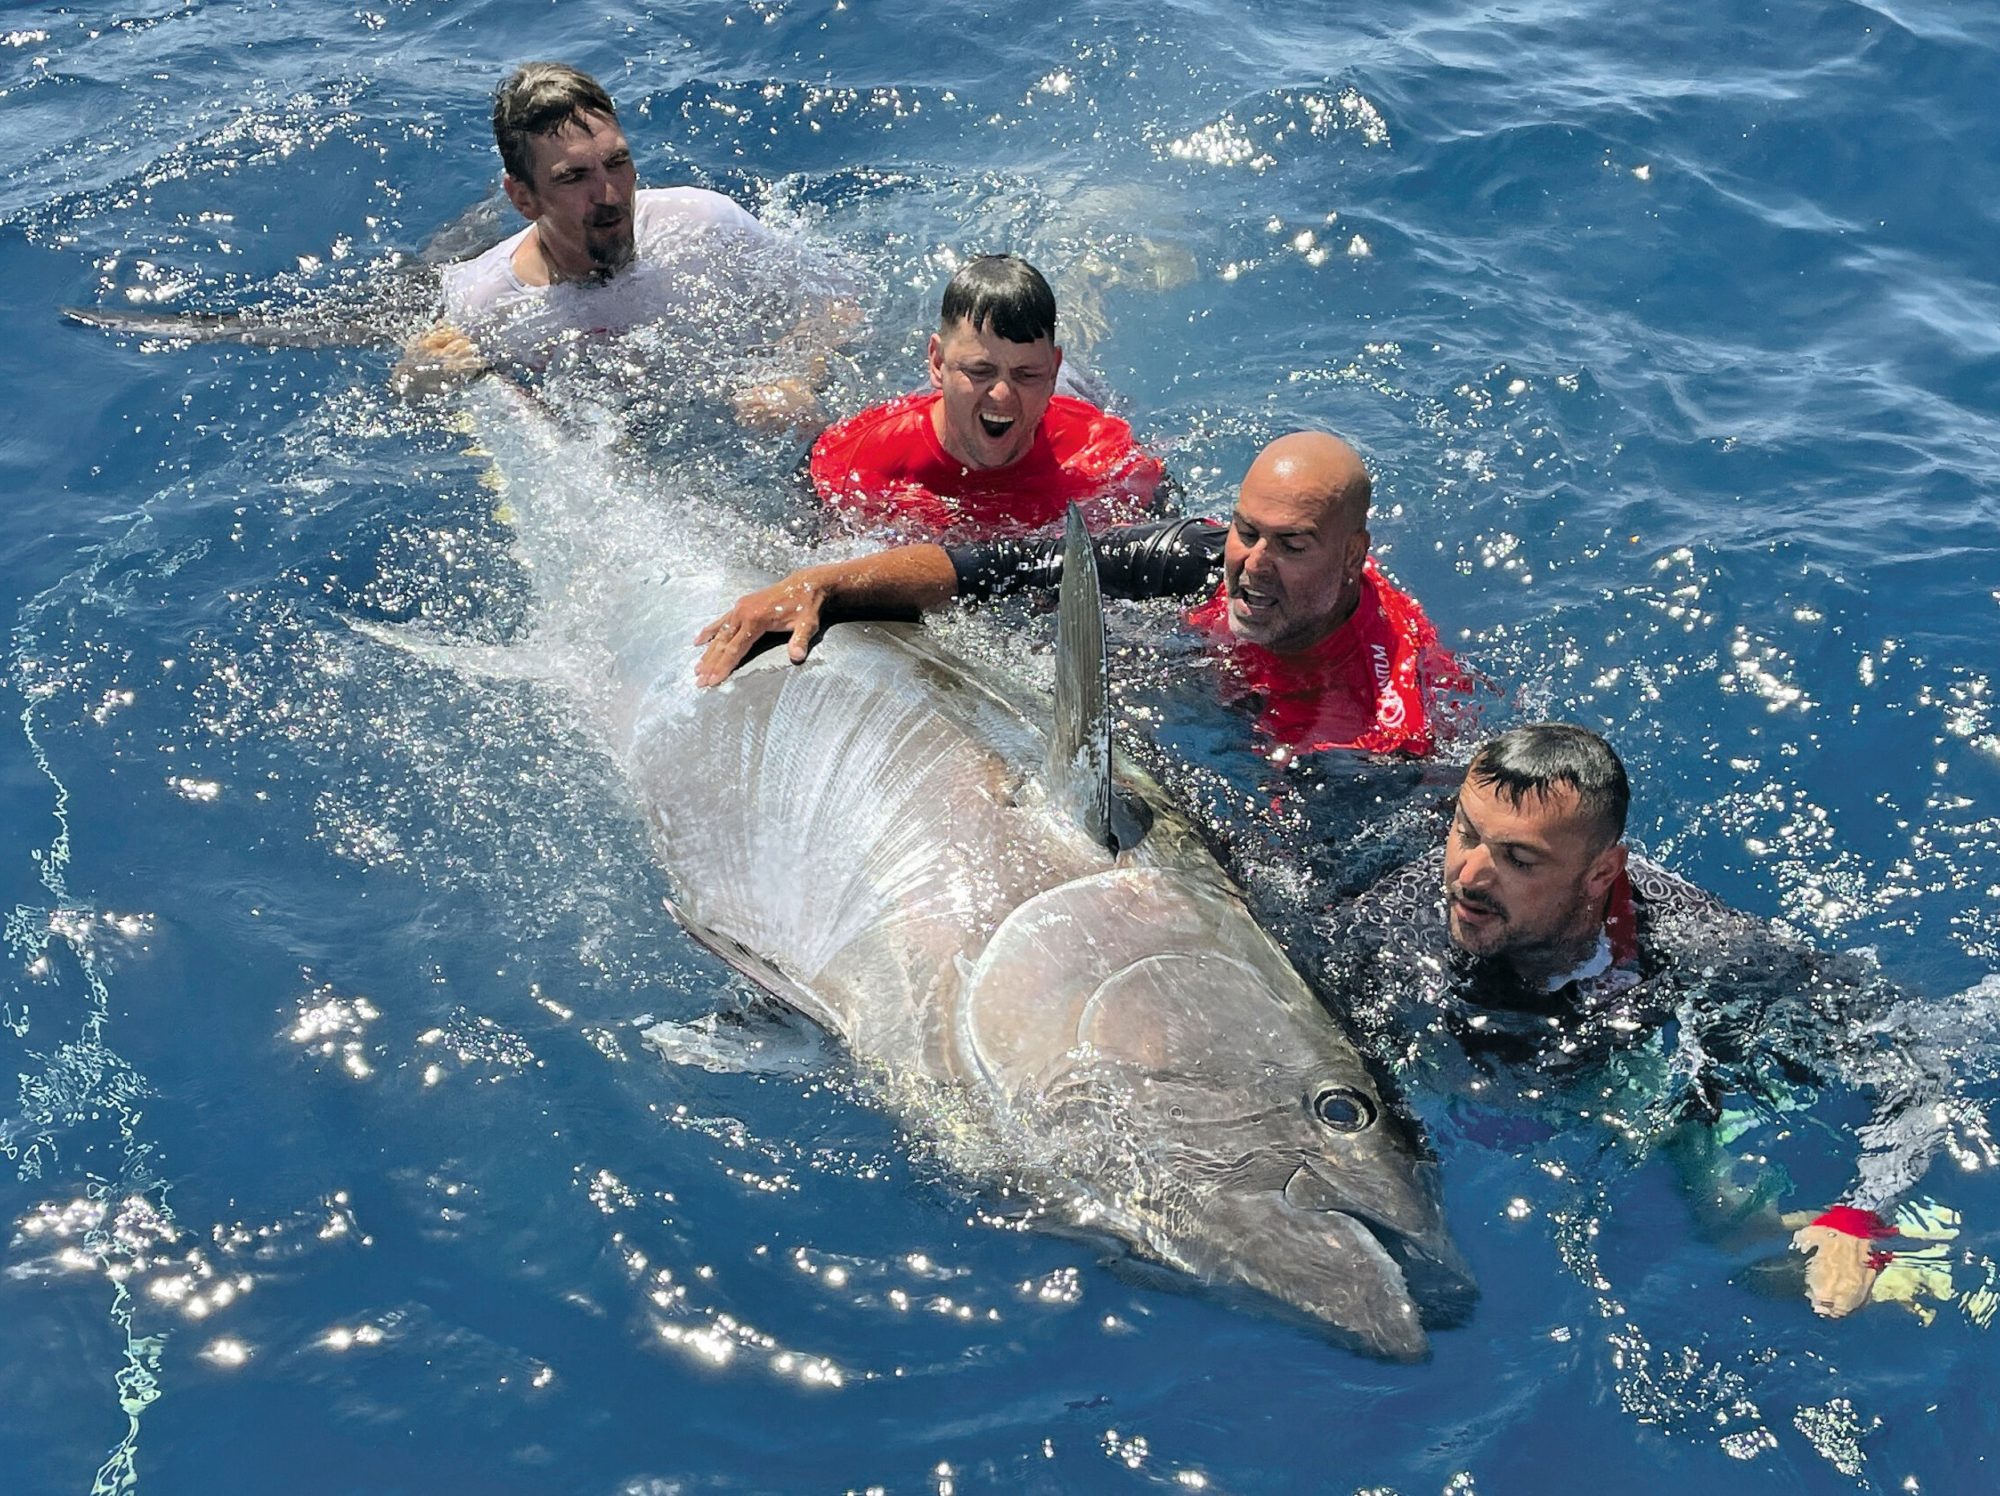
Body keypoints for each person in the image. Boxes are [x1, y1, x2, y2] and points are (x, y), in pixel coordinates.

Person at [1323, 721, 1965, 1319]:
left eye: (1518, 859)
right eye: (1466, 831)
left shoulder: (1695, 942)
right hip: (1462, 1075)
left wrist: (1859, 1210)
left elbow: (1915, 1064)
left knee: (1745, 1239)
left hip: (1616, 1066)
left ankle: (1892, 1260)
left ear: (1602, 872)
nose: (1468, 875)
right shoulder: (1385, 926)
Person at [696, 430, 1464, 759]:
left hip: (1305, 726)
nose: (1252, 565)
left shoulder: (1383, 717)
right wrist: (822, 583)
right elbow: (999, 566)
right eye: (1247, 530)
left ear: (1353, 557)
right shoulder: (1196, 556)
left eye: (1292, 545)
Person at [394, 62, 845, 429]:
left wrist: (800, 376)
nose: (610, 195)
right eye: (574, 177)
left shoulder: (703, 223)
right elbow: (415, 390)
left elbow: (840, 300)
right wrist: (422, 376)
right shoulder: (486, 303)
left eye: (617, 162)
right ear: (524, 198)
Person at [807, 254, 1164, 538]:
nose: (1002, 395)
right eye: (980, 372)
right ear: (936, 361)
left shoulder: (1100, 453)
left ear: (1051, 370)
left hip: (1073, 393)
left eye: (1025, 375)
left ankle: (1093, 282)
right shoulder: (857, 457)